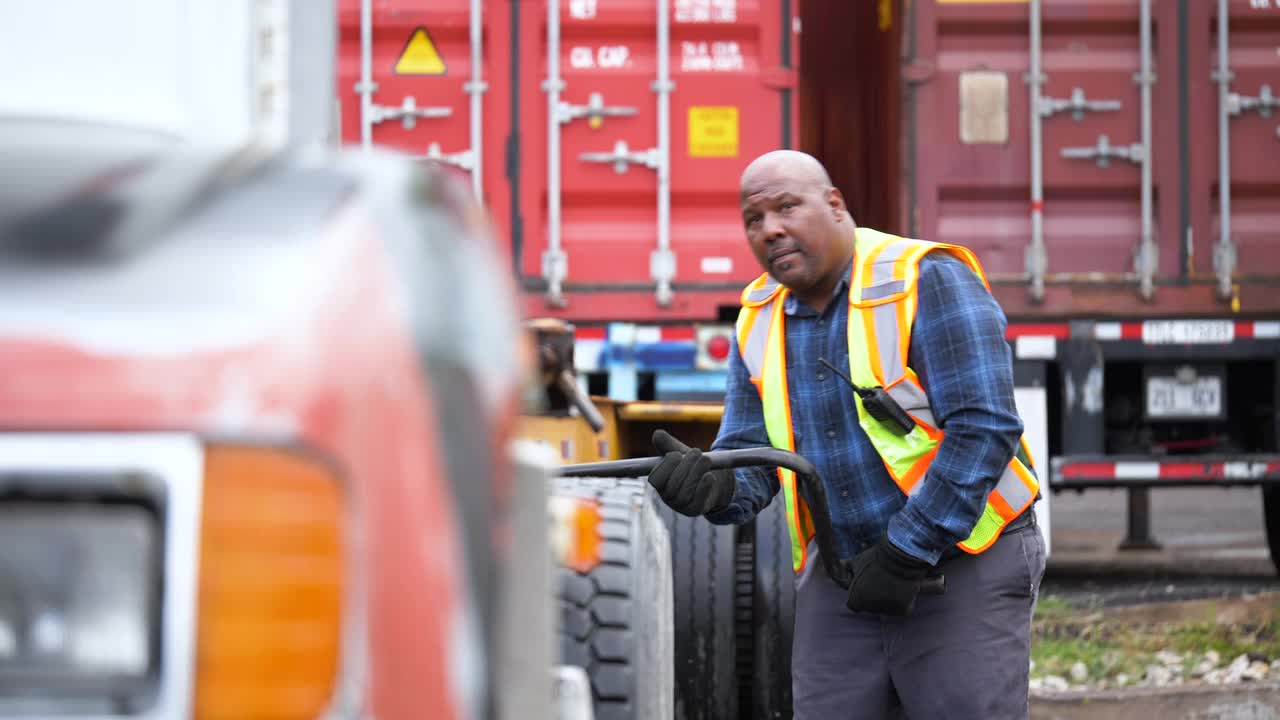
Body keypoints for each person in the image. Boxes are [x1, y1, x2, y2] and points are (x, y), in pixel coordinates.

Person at [646, 150, 1046, 719]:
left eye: (787, 207)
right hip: (845, 580)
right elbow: (754, 459)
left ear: (835, 205)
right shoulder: (758, 316)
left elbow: (985, 428)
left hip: (964, 565)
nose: (771, 229)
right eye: (754, 220)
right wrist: (712, 489)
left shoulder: (923, 278)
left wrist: (907, 550)